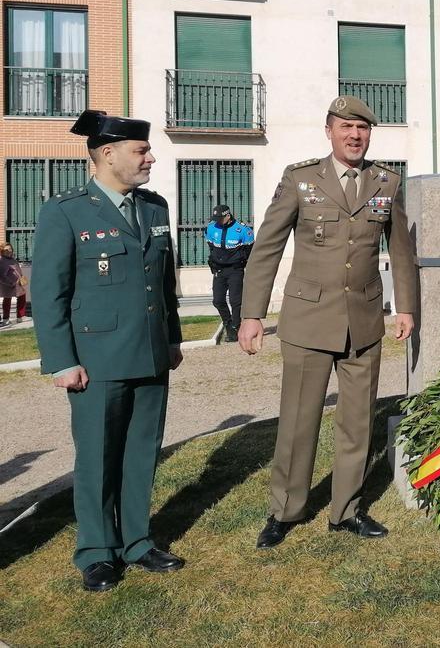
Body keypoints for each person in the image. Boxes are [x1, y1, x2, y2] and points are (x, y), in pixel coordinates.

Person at [238, 96, 417, 549]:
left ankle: (347, 510)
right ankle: (286, 510)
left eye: (362, 128)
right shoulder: (301, 180)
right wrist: (252, 314)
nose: (355, 135)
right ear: (329, 131)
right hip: (308, 319)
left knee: (358, 423)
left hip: (363, 321)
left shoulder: (386, 181)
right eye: (346, 127)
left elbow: (401, 251)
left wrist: (406, 307)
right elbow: (267, 248)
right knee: (299, 422)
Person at [31, 110, 184, 592]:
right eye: (141, 151)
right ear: (107, 154)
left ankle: (137, 540)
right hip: (96, 361)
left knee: (142, 453)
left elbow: (164, 283)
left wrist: (173, 338)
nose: (150, 158)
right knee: (97, 456)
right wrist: (61, 360)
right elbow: (49, 292)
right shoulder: (67, 210)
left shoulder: (154, 208)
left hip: (150, 353)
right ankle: (97, 551)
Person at [206, 203, 254, 343]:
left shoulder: (243, 230)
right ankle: (228, 324)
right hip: (219, 269)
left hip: (235, 270)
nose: (217, 221)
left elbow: (249, 251)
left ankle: (236, 326)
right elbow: (211, 247)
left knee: (235, 301)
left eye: (219, 218)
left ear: (228, 216)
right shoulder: (211, 228)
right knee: (218, 300)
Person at [0, 242, 26, 325]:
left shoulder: (13, 259)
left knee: (22, 297)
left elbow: (17, 269)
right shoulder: (1, 260)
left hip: (18, 283)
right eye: (6, 250)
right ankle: (5, 319)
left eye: (10, 249)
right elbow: (2, 276)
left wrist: (21, 277)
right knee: (7, 300)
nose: (9, 251)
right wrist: (11, 283)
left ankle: (20, 317)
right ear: (2, 250)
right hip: (8, 284)